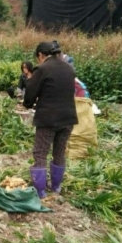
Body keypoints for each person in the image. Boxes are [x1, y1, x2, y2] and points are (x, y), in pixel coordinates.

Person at [23, 42, 78, 198]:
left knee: (40, 153)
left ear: (41, 55)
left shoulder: (42, 69)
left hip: (48, 118)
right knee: (59, 153)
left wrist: (28, 104)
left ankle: (40, 191)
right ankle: (56, 187)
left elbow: (30, 96)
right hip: (68, 118)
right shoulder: (68, 67)